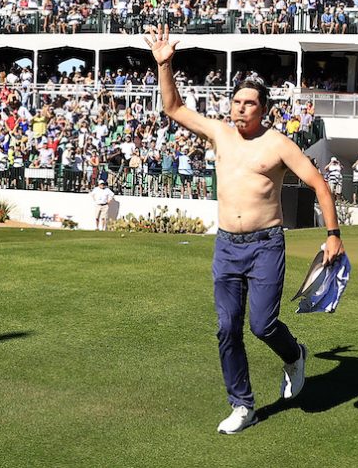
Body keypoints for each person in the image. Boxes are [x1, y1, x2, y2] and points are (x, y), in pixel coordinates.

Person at [146, 24, 345, 435]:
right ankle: (242, 404)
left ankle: (294, 355)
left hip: (265, 245)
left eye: (248, 104)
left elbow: (319, 184)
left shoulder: (278, 144)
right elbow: (174, 109)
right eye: (235, 102)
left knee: (262, 325)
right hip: (226, 246)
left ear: (263, 109)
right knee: (226, 327)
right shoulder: (220, 133)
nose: (239, 109)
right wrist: (165, 66)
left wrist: (332, 234)